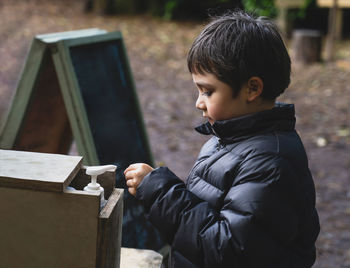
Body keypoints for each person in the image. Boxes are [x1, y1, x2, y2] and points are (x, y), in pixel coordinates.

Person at [124, 10, 320, 268]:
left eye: (207, 91)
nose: (198, 103)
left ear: (252, 89)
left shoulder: (271, 163)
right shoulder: (229, 137)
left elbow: (227, 250)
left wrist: (162, 193)